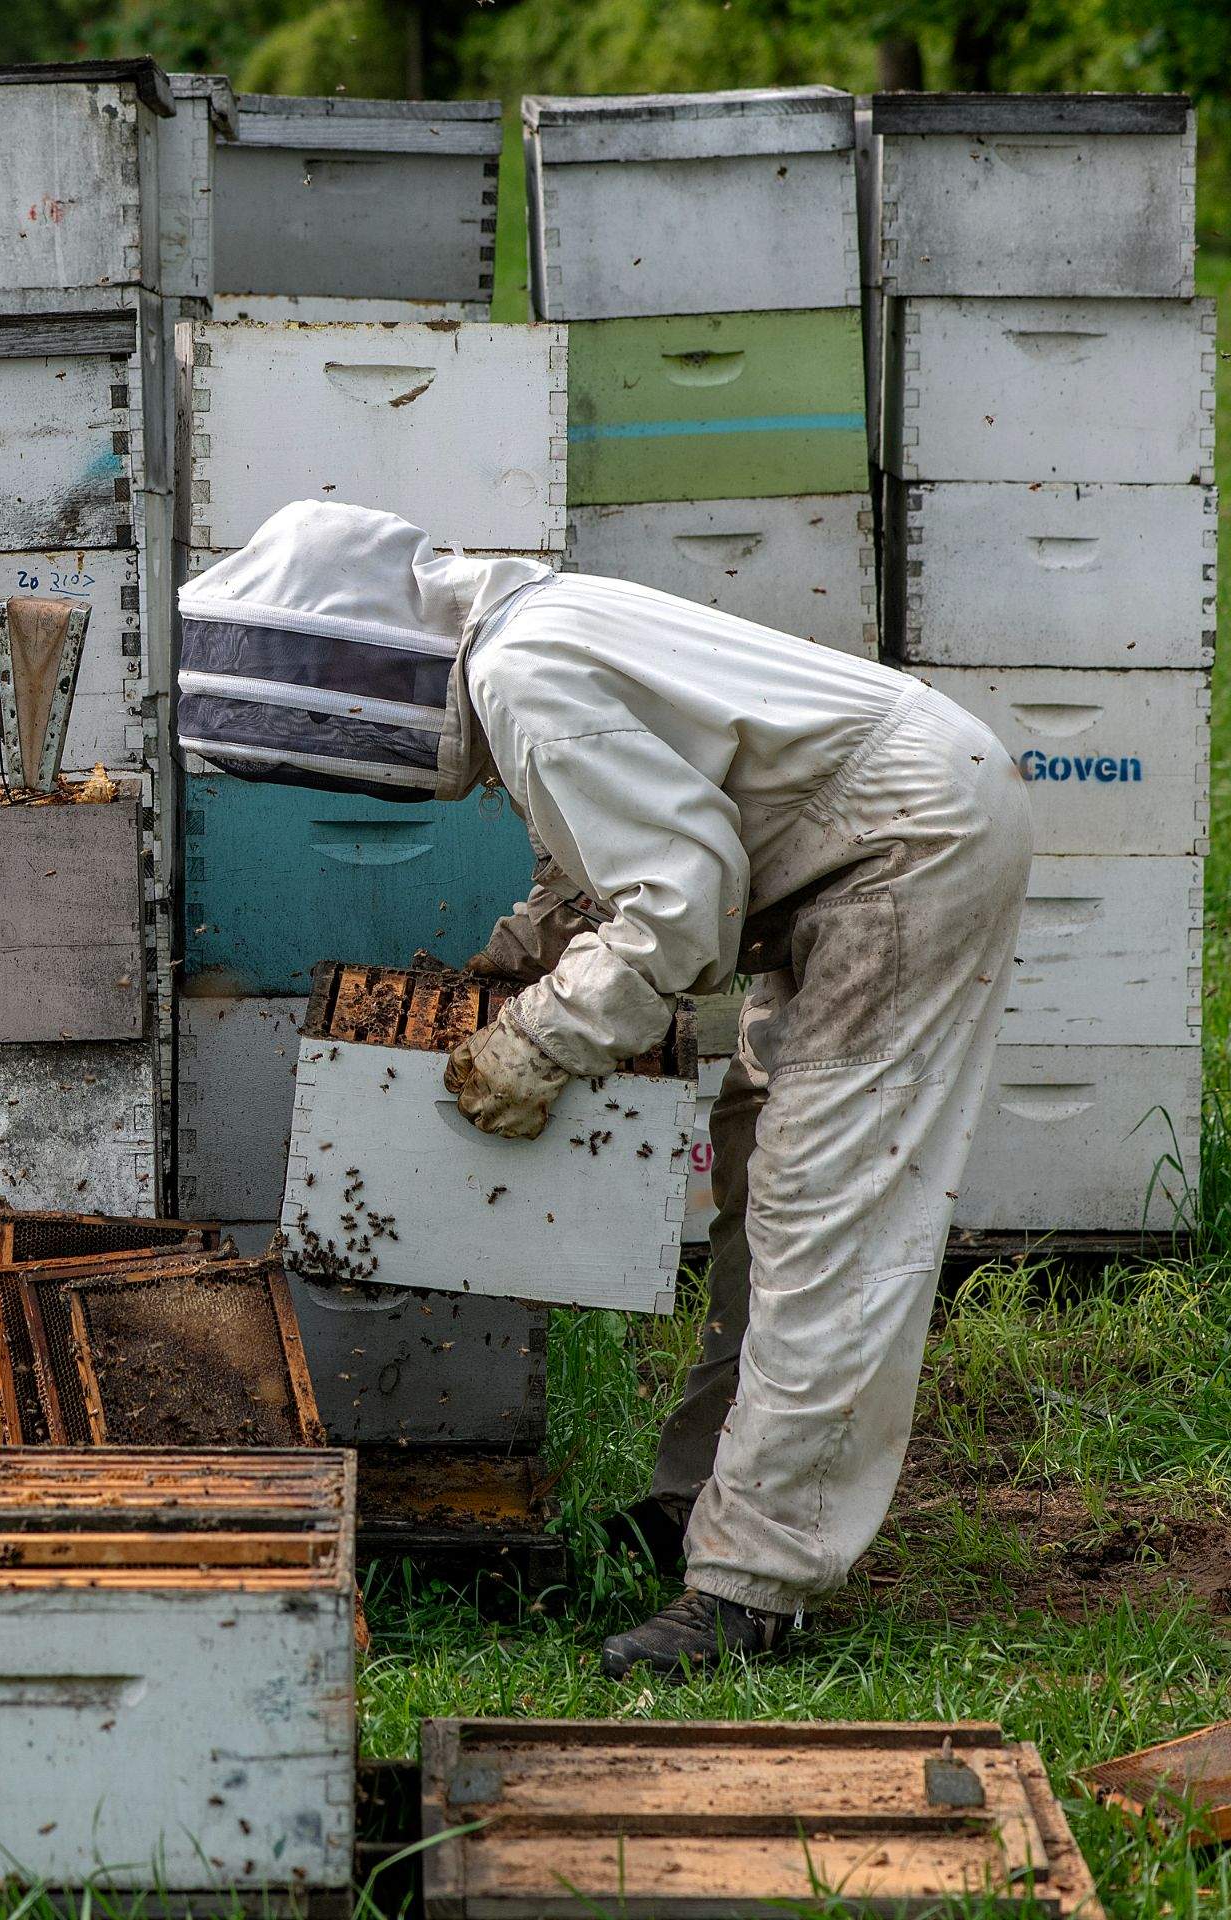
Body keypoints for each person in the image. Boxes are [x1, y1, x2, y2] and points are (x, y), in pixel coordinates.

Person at [177, 501, 1033, 1679]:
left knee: (825, 1210)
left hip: (898, 850)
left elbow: (679, 899)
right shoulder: (525, 640)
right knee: (760, 1187)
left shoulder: (524, 671)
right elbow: (616, 845)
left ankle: (752, 1588)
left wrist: (541, 1042)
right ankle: (697, 1502)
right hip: (857, 840)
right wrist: (521, 954)